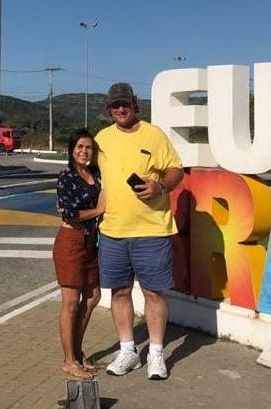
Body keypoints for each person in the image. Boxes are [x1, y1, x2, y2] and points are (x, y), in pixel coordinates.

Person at [95, 82, 184, 380]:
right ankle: (128, 351)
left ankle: (157, 354)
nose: (121, 109)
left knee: (153, 293)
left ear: (134, 105)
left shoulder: (153, 134)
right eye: (115, 105)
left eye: (126, 104)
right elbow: (84, 169)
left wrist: (160, 186)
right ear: (109, 109)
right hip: (112, 231)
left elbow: (175, 170)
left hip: (152, 229)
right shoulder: (102, 139)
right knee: (119, 292)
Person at [53, 128, 105, 379]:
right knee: (71, 302)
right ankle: (69, 360)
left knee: (93, 296)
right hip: (71, 242)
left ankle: (77, 350)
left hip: (91, 242)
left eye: (88, 147)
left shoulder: (95, 173)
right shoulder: (67, 177)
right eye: (80, 147)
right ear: (72, 151)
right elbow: (70, 213)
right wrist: (98, 209)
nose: (84, 152)